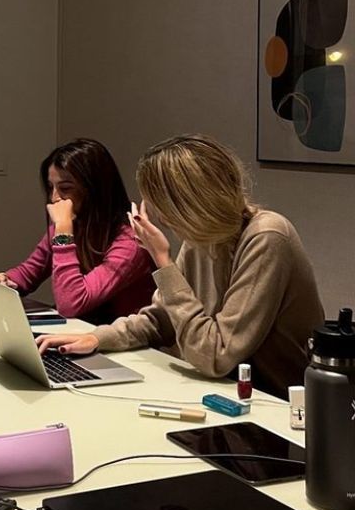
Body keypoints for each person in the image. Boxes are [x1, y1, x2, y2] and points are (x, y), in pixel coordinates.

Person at [38, 134, 324, 398]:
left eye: (160, 204)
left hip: (273, 402)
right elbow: (160, 320)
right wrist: (96, 338)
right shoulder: (201, 238)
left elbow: (215, 355)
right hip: (221, 392)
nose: (159, 216)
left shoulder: (267, 236)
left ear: (187, 202)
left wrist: (162, 261)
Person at [0, 137, 154, 325]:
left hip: (122, 337)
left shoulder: (130, 241)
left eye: (65, 188)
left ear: (94, 189)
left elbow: (72, 304)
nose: (54, 198)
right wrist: (7, 280)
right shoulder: (72, 225)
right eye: (51, 187)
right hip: (80, 329)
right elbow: (29, 273)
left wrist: (63, 234)